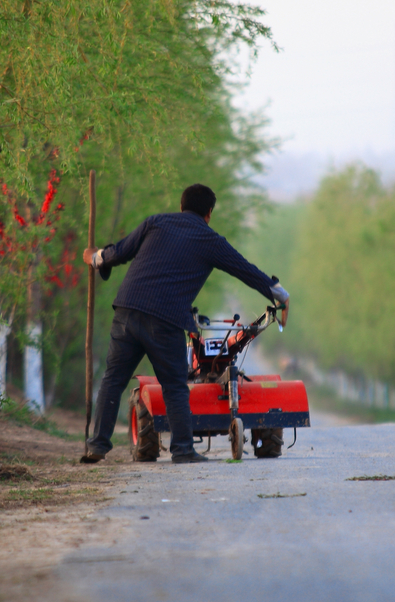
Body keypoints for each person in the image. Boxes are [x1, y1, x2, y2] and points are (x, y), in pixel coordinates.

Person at [81, 184, 289, 464]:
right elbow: (245, 270)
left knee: (112, 379)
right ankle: (182, 450)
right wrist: (280, 295)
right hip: (165, 319)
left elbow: (119, 252)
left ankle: (97, 445)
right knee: (175, 385)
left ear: (181, 207)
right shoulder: (210, 240)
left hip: (127, 310)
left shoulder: (155, 222)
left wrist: (95, 258)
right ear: (209, 214)